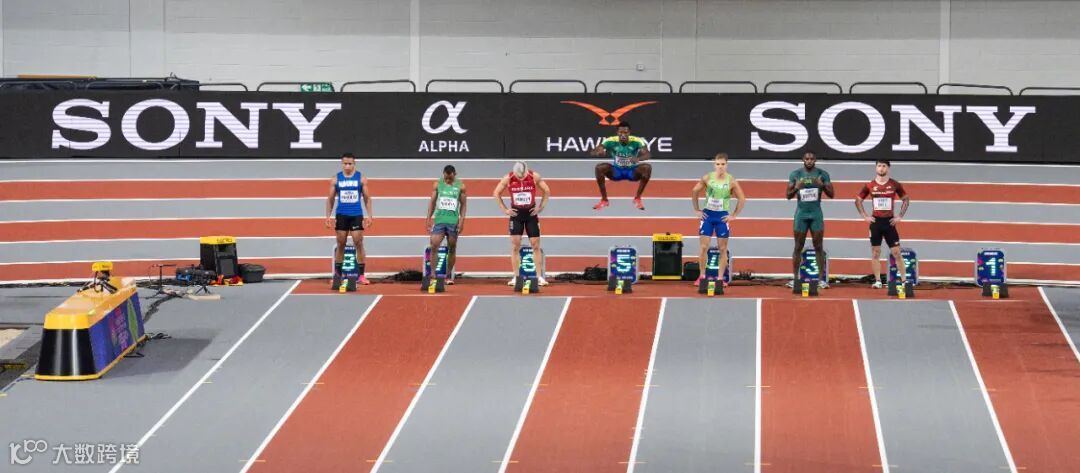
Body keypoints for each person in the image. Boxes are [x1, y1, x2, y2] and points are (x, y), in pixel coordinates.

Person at [691, 153, 746, 287]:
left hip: (722, 218)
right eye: (717, 164)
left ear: (726, 165)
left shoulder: (731, 180)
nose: (720, 167)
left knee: (722, 249)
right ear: (714, 165)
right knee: (703, 247)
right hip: (708, 216)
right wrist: (697, 210)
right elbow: (695, 191)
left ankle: (720, 279)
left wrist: (734, 215)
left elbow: (742, 198)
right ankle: (702, 276)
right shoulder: (707, 178)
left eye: (722, 164)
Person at [493, 161, 551, 287]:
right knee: (515, 246)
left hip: (531, 215)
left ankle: (539, 277)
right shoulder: (508, 178)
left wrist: (541, 207)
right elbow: (496, 193)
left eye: (522, 176)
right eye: (518, 176)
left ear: (526, 171)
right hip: (516, 215)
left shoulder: (534, 176)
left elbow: (547, 191)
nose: (520, 178)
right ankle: (516, 276)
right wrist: (505, 210)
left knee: (535, 245)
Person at [855, 160, 910, 288]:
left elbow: (906, 199)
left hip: (889, 223)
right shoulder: (870, 185)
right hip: (876, 223)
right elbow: (858, 200)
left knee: (896, 253)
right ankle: (878, 281)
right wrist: (865, 216)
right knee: (875, 253)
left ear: (888, 168)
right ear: (876, 168)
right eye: (879, 166)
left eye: (884, 166)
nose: (881, 168)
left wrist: (900, 216)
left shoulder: (894, 184)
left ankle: (904, 281)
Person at [786, 151, 833, 288]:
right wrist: (796, 187)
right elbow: (788, 195)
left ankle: (821, 280)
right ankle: (795, 278)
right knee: (798, 247)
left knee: (818, 246)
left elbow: (832, 194)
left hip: (816, 214)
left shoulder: (822, 174)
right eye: (807, 159)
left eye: (812, 159)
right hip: (801, 215)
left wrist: (822, 185)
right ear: (803, 159)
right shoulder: (796, 174)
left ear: (815, 160)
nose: (809, 161)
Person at [325, 152, 373, 285]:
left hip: (356, 214)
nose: (347, 166)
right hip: (341, 214)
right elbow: (330, 199)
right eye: (345, 164)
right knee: (341, 243)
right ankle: (338, 275)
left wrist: (370, 216)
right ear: (342, 164)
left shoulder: (361, 178)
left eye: (350, 164)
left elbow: (367, 198)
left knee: (358, 242)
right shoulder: (335, 179)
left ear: (354, 164)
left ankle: (361, 276)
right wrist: (328, 216)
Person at [589, 121, 652, 210]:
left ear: (629, 133)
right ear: (617, 133)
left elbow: (648, 154)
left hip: (632, 172)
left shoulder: (637, 141)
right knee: (599, 168)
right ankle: (604, 200)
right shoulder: (610, 141)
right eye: (620, 132)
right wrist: (598, 152)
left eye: (625, 132)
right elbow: (593, 151)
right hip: (616, 171)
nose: (623, 135)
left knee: (647, 168)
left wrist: (638, 159)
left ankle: (637, 198)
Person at [425, 165, 467, 285]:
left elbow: (463, 205)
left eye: (450, 178)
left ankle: (448, 275)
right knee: (434, 245)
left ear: (455, 174)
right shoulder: (437, 185)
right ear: (443, 174)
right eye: (446, 178)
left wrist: (462, 221)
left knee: (452, 248)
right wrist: (428, 218)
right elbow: (432, 203)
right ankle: (433, 275)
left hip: (453, 221)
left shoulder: (461, 186)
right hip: (439, 220)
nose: (448, 180)